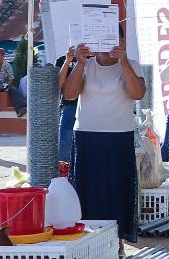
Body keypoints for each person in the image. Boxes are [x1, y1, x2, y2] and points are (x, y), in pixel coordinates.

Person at [62, 33, 145, 242]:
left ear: (122, 41)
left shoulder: (131, 65)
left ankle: (118, 238)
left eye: (114, 38)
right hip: (86, 136)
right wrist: (79, 63)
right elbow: (69, 94)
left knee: (117, 188)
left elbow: (137, 94)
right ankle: (88, 237)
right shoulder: (87, 65)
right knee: (87, 188)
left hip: (118, 135)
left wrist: (123, 62)